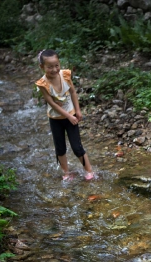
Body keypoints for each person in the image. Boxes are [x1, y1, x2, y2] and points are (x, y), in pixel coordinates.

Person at [35, 49, 94, 181]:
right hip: (56, 119)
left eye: (56, 65)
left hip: (71, 116)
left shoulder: (65, 75)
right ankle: (66, 173)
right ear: (42, 67)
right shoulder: (43, 84)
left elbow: (73, 92)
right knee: (60, 148)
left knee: (77, 147)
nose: (54, 69)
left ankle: (89, 171)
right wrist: (68, 116)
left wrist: (77, 111)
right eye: (50, 67)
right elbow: (52, 104)